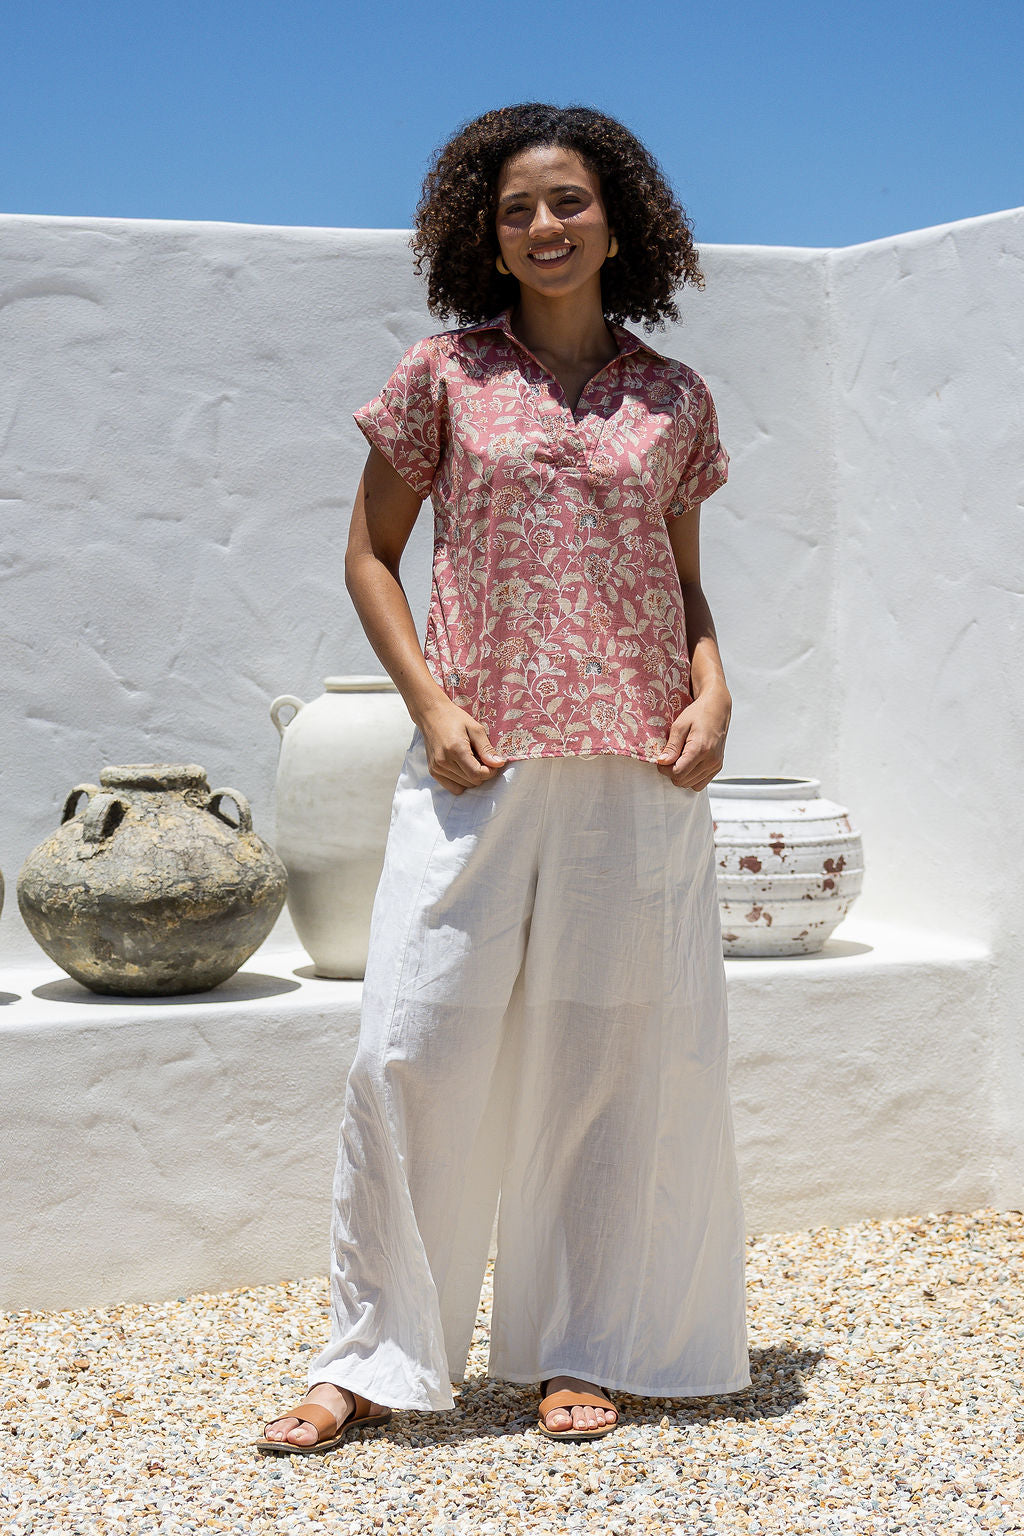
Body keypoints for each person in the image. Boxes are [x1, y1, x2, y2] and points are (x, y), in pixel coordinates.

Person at [257, 101, 750, 1454]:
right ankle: (374, 1355)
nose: (544, 225)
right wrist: (433, 702)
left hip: (637, 770)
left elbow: (685, 584)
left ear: (619, 221)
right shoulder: (442, 376)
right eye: (518, 208)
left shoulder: (674, 400)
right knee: (406, 1047)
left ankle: (578, 1347)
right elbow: (369, 555)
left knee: (605, 1059)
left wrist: (714, 689)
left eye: (569, 202)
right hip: (479, 759)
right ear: (485, 232)